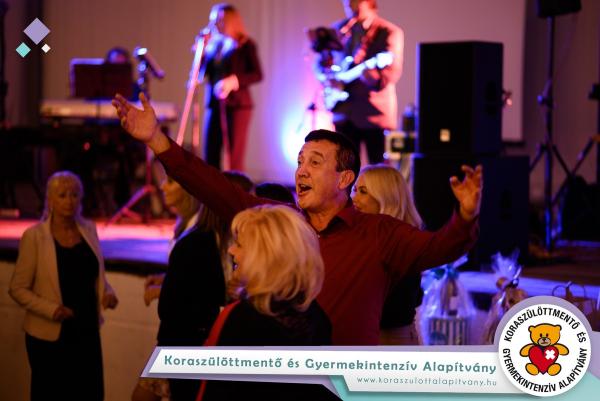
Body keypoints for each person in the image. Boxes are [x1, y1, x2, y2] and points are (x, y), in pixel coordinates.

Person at [112, 93, 482, 346]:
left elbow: (439, 248)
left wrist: (465, 216)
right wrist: (157, 140)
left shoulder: (378, 232)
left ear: (344, 179)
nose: (301, 170)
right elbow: (215, 189)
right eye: (300, 161)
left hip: (347, 386)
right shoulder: (282, 223)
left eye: (315, 163)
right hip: (285, 382)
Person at [132, 172, 253, 401]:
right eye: (245, 200)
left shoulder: (240, 243)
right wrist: (221, 307)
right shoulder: (195, 244)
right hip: (186, 348)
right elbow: (171, 309)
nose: (252, 208)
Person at [198, 205, 335, 401]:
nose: (231, 250)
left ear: (262, 256)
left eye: (239, 245)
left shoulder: (241, 318)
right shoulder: (315, 315)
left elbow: (216, 391)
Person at [9, 171, 118, 401]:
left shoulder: (89, 229)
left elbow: (95, 275)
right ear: (50, 199)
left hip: (86, 329)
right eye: (62, 195)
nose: (69, 200)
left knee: (89, 393)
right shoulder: (35, 237)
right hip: (50, 335)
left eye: (74, 194)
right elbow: (17, 288)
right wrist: (52, 309)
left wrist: (107, 292)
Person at [319, 0, 403, 163]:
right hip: (343, 113)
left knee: (378, 170)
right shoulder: (338, 29)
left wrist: (370, 76)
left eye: (354, 2)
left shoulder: (388, 31)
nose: (349, 6)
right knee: (344, 168)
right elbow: (320, 62)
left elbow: (391, 74)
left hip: (373, 114)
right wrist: (328, 78)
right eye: (347, 3)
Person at [351, 164, 423, 345]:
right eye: (354, 190)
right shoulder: (362, 236)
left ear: (385, 198)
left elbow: (396, 306)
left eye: (363, 191)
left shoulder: (401, 243)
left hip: (389, 338)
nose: (353, 198)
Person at [200, 3, 263, 171]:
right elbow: (201, 75)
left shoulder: (245, 45)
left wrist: (233, 81)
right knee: (210, 154)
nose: (215, 24)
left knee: (233, 156)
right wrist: (201, 52)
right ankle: (210, 187)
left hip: (237, 106)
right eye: (213, 20)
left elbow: (257, 74)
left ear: (231, 21)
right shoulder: (213, 46)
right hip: (215, 104)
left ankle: (234, 187)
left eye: (219, 20)